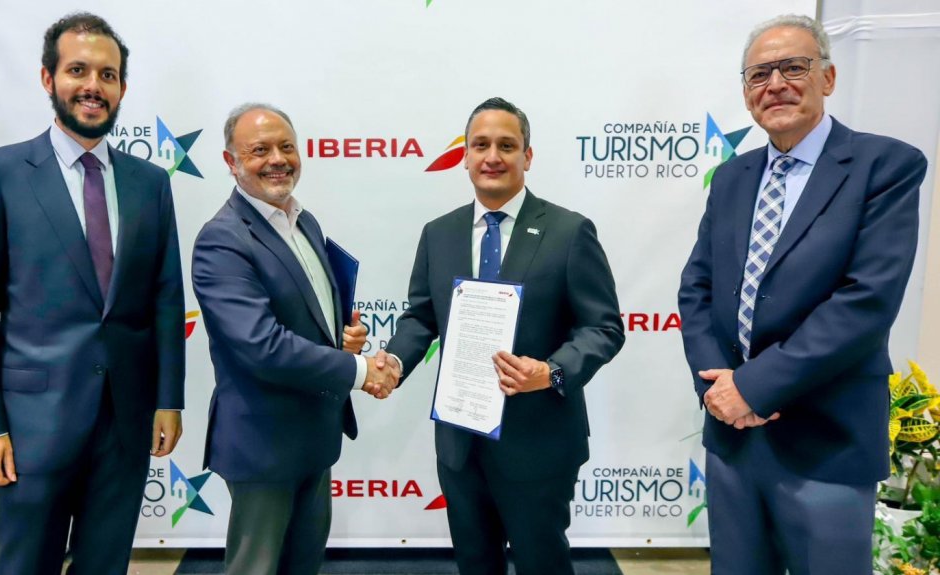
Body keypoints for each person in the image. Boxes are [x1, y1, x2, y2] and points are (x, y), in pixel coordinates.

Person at [678, 14, 928, 574]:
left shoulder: (885, 166)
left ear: (828, 78)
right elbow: (697, 288)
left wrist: (753, 387)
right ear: (746, 92)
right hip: (734, 442)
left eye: (793, 67)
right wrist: (721, 390)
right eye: (759, 74)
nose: (775, 85)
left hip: (826, 442)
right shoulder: (732, 177)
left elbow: (866, 301)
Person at [0, 12, 185, 575]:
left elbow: (165, 300)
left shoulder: (150, 183)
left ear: (122, 88)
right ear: (47, 78)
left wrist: (168, 400)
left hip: (125, 421)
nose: (93, 86)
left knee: (105, 565)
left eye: (108, 75)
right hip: (32, 425)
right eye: (78, 70)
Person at [380, 97, 625, 575]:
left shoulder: (569, 231)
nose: (492, 156)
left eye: (507, 146)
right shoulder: (439, 233)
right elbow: (421, 317)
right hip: (460, 442)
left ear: (527, 157)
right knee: (475, 565)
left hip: (539, 442)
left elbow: (603, 327)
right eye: (481, 145)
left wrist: (552, 371)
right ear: (465, 156)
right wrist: (394, 361)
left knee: (542, 565)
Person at [192, 103, 394, 575]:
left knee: (303, 565)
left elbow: (307, 319)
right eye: (259, 150)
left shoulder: (305, 221)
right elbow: (261, 346)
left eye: (286, 147)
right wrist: (360, 370)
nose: (277, 159)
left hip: (314, 435)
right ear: (231, 162)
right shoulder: (222, 240)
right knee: (256, 568)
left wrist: (342, 340)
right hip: (262, 444)